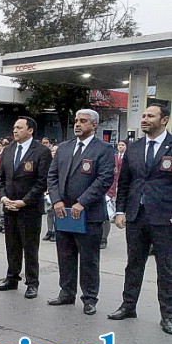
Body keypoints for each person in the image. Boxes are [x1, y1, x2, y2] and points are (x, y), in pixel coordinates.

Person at [109, 104, 172, 335]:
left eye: (150, 116)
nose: (144, 119)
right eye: (143, 115)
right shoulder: (134, 148)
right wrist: (120, 211)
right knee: (133, 264)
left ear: (164, 120)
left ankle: (168, 315)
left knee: (167, 269)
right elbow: (124, 182)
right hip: (136, 215)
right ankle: (128, 306)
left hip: (165, 218)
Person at [46, 109, 114, 315]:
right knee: (65, 255)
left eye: (83, 121)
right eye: (76, 121)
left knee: (88, 259)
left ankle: (90, 298)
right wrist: (56, 201)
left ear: (93, 125)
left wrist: (82, 202)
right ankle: (66, 292)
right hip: (64, 212)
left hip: (89, 214)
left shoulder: (103, 149)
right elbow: (52, 176)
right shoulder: (65, 148)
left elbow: (104, 180)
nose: (77, 124)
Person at [0, 116, 52, 299]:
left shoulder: (41, 152)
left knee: (30, 247)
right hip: (9, 205)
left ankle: (32, 283)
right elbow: (0, 176)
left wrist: (24, 201)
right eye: (14, 127)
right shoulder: (8, 150)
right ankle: (11, 278)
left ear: (30, 130)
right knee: (12, 245)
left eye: (19, 127)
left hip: (30, 208)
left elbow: (42, 182)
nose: (15, 130)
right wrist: (3, 197)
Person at [101, 140, 126, 249]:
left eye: (122, 145)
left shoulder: (127, 157)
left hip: (119, 185)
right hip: (107, 187)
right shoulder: (113, 157)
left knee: (109, 212)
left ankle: (104, 238)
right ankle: (101, 237)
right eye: (119, 145)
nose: (120, 147)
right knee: (104, 214)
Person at [43, 145, 59, 242]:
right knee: (49, 212)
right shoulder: (47, 163)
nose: (53, 152)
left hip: (57, 190)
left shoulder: (61, 163)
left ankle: (55, 231)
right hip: (47, 190)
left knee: (56, 212)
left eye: (56, 151)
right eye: (52, 150)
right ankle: (49, 230)